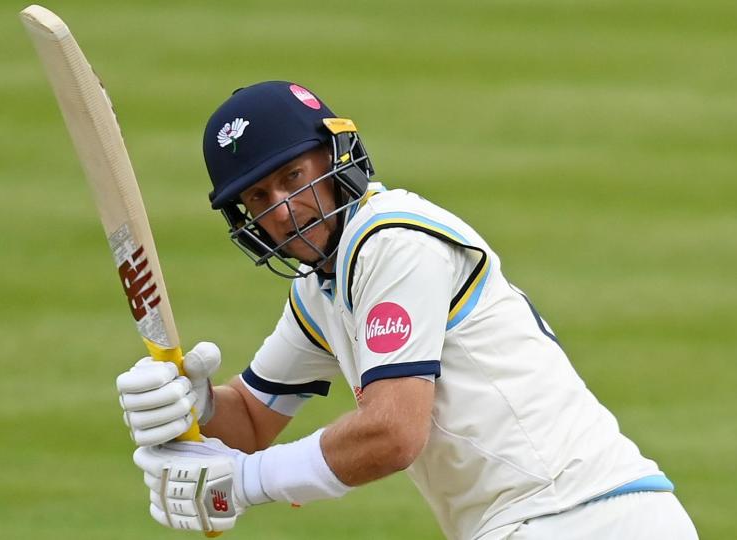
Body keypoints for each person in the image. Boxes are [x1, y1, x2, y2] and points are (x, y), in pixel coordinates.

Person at [114, 81, 699, 539]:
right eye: (259, 198)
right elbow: (249, 422)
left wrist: (243, 484)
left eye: (294, 177)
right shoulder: (323, 289)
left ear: (335, 158)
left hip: (578, 517)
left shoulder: (392, 241)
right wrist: (197, 403)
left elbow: (393, 433)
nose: (285, 210)